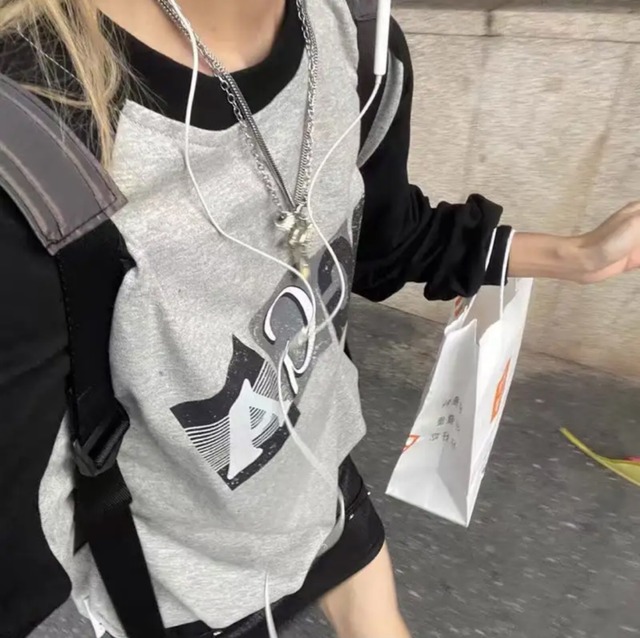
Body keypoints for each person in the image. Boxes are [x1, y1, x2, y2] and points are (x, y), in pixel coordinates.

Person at [0, 1, 639, 638]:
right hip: (176, 586)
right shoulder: (31, 123)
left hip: (324, 484)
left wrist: (578, 256)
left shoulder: (355, 36)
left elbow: (383, 238)